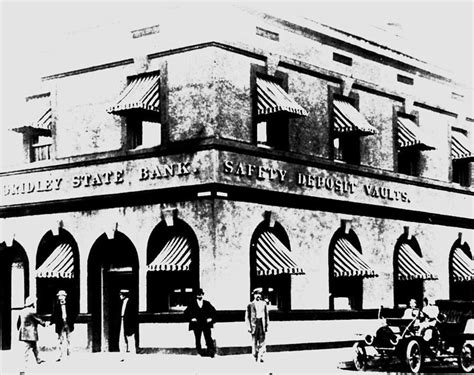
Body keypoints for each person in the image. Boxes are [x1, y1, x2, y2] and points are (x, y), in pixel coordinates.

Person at [17, 296, 47, 372]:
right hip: (31, 335)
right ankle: (22, 369)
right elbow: (39, 320)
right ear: (32, 303)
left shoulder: (21, 311)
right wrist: (44, 324)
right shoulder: (32, 311)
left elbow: (18, 323)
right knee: (26, 352)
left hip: (24, 334)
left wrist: (20, 331)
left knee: (34, 347)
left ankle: (38, 359)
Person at [184, 288, 216, 357]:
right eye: (198, 295)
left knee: (208, 337)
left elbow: (214, 312)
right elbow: (186, 313)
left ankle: (210, 351)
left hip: (205, 324)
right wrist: (191, 319)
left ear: (202, 295)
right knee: (198, 338)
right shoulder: (192, 304)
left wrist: (211, 319)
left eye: (200, 294)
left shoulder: (207, 303)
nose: (199, 296)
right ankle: (199, 351)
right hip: (197, 324)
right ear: (196, 295)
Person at [245, 288, 269, 363]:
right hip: (254, 325)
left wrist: (266, 325)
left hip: (262, 323)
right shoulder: (250, 304)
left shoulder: (264, 304)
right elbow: (247, 317)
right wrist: (249, 327)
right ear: (253, 295)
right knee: (254, 341)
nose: (258, 296)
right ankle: (255, 355)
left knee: (262, 341)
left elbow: (266, 315)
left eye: (259, 294)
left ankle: (261, 355)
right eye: (256, 294)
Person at [51, 290, 76, 361]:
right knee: (60, 340)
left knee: (69, 340)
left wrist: (72, 320)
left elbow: (74, 313)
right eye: (59, 296)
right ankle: (59, 356)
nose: (60, 298)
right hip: (60, 325)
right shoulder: (56, 306)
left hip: (68, 324)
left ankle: (69, 355)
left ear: (65, 297)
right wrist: (51, 322)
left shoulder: (70, 305)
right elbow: (54, 315)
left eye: (62, 296)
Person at [119, 289, 137, 361]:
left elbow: (133, 315)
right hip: (122, 321)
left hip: (129, 323)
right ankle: (122, 356)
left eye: (121, 294)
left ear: (124, 295)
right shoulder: (121, 303)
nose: (120, 296)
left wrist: (132, 326)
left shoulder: (131, 303)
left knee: (131, 339)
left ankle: (133, 356)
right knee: (122, 339)